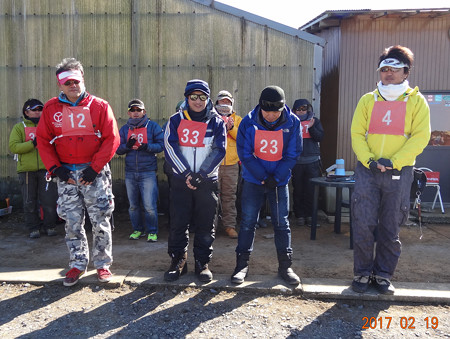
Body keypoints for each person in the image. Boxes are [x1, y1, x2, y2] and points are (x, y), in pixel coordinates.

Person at [350, 45, 430, 294]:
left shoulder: (416, 102)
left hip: (400, 171)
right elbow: (356, 133)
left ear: (406, 72)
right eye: (384, 69)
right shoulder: (367, 99)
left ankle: (383, 274)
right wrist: (370, 160)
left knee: (390, 224)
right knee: (363, 223)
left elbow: (420, 137)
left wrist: (394, 161)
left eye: (395, 69)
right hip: (368, 170)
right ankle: (362, 273)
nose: (389, 73)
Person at [36, 58, 120, 287]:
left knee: (100, 219)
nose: (73, 85)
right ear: (60, 85)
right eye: (67, 82)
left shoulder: (100, 106)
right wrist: (55, 168)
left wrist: (94, 168)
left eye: (76, 80)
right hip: (66, 173)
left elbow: (112, 139)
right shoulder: (51, 108)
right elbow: (43, 140)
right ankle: (77, 263)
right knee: (72, 221)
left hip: (94, 172)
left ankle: (102, 264)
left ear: (82, 79)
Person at [231, 86, 302, 285]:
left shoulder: (293, 122)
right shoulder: (247, 122)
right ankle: (241, 265)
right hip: (254, 180)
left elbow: (293, 153)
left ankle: (285, 266)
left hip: (279, 182)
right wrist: (262, 176)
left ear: (283, 108)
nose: (271, 115)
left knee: (281, 223)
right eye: (267, 111)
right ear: (260, 107)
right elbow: (245, 153)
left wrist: (277, 176)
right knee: (247, 222)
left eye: (276, 111)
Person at [163, 79, 226, 283]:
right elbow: (170, 147)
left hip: (206, 181)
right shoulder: (175, 120)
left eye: (202, 97)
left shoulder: (216, 122)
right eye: (194, 97)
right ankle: (178, 261)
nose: (198, 101)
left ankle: (202, 262)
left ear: (208, 99)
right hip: (182, 180)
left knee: (205, 223)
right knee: (178, 222)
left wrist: (202, 174)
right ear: (187, 98)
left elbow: (219, 149)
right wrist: (187, 174)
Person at [9, 99, 58, 238]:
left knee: (49, 200)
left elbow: (56, 144)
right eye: (34, 109)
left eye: (40, 109)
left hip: (46, 169)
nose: (38, 112)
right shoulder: (19, 127)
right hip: (26, 171)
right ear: (26, 112)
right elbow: (14, 147)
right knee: (29, 201)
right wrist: (33, 143)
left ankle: (50, 226)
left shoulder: (49, 127)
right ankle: (33, 228)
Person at [116, 99, 164, 242]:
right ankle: (137, 230)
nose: (136, 113)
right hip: (130, 172)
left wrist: (146, 146)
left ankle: (152, 231)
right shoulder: (124, 129)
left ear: (144, 112)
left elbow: (161, 145)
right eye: (133, 110)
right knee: (133, 206)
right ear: (129, 113)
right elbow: (117, 149)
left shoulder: (153, 126)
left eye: (139, 110)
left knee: (149, 205)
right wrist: (127, 146)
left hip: (148, 172)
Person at [291, 99, 324, 226]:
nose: (301, 112)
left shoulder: (315, 121)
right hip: (297, 162)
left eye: (303, 109)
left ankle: (310, 215)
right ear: (294, 111)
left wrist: (311, 128)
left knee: (311, 190)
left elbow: (320, 137)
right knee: (298, 190)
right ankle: (299, 215)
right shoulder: (291, 122)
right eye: (298, 109)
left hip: (312, 162)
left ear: (308, 109)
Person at [215, 90, 242, 239]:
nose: (224, 104)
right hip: (213, 164)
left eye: (227, 101)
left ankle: (229, 226)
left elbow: (243, 138)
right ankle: (210, 227)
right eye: (222, 101)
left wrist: (231, 128)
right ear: (216, 102)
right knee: (211, 196)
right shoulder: (211, 118)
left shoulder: (238, 119)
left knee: (229, 196)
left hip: (231, 164)